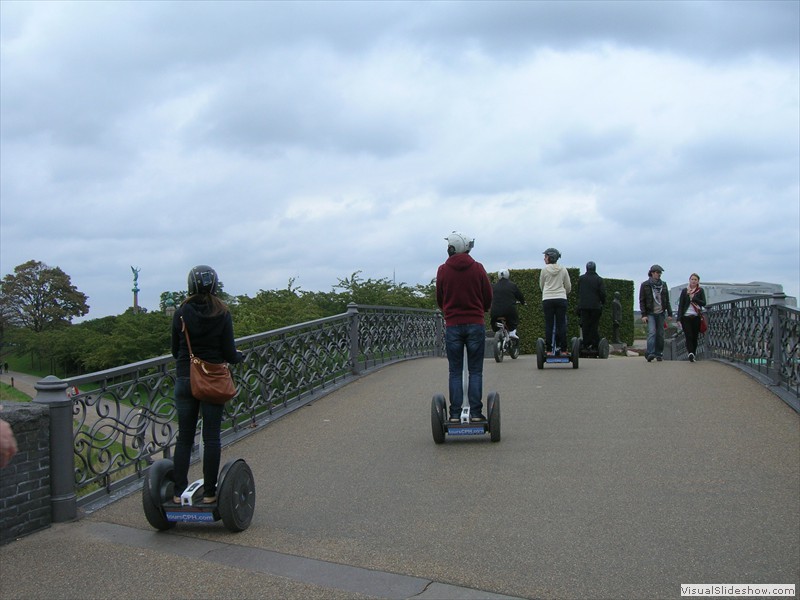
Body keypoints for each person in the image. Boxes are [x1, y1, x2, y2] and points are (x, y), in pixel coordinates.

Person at [171, 265, 243, 504]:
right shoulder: (222, 312)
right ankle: (210, 493)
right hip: (211, 380)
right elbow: (229, 352)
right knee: (211, 438)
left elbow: (174, 350)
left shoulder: (181, 311)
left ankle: (178, 490)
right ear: (214, 285)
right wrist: (238, 356)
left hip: (185, 378)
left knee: (184, 437)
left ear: (190, 284)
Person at [436, 232, 493, 423]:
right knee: (475, 371)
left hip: (453, 325)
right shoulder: (478, 268)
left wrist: (448, 311)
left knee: (455, 371)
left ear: (451, 248)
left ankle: (454, 414)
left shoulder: (443, 270)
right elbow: (487, 296)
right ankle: (476, 413)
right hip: (475, 324)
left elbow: (440, 298)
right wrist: (481, 309)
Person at [539, 248, 571, 354]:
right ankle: (563, 349)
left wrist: (547, 293)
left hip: (547, 299)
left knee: (549, 324)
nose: (544, 258)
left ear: (550, 257)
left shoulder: (544, 270)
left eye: (546, 256)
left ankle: (548, 350)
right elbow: (568, 286)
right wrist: (563, 293)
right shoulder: (563, 270)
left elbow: (541, 285)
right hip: (561, 298)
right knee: (561, 324)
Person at [638, 264, 672, 362]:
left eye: (660, 273)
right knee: (652, 332)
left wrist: (669, 313)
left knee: (660, 334)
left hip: (661, 313)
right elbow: (642, 300)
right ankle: (650, 353)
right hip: (650, 313)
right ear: (652, 273)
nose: (659, 274)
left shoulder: (663, 284)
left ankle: (659, 353)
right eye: (657, 272)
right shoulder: (645, 285)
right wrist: (643, 315)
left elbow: (667, 300)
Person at [677, 273, 707, 362]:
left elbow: (703, 303)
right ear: (689, 280)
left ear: (698, 281)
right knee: (688, 335)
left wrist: (694, 298)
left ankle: (693, 354)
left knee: (694, 336)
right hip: (686, 317)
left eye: (695, 279)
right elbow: (681, 305)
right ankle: (690, 352)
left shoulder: (700, 291)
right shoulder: (684, 291)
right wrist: (679, 318)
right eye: (692, 279)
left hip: (696, 316)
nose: (693, 281)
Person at [577, 261, 606, 351]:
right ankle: (594, 344)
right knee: (594, 325)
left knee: (585, 325)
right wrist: (602, 302)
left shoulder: (581, 279)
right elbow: (602, 293)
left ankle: (585, 344)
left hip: (584, 306)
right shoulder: (599, 279)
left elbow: (579, 291)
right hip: (595, 306)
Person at [490, 269, 526, 339]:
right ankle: (512, 332)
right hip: (509, 311)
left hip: (495, 312)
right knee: (514, 319)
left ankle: (498, 333)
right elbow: (520, 296)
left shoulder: (493, 286)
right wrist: (523, 302)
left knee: (493, 322)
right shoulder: (513, 286)